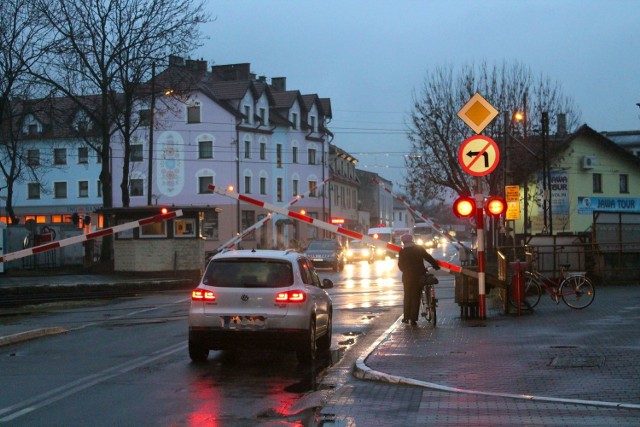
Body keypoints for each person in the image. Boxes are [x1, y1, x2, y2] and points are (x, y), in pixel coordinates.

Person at [397, 234, 440, 325]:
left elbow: (400, 265)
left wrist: (405, 270)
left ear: (403, 242)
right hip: (419, 275)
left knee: (407, 296)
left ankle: (406, 318)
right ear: (412, 240)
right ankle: (413, 319)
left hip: (407, 277)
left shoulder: (402, 251)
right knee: (416, 296)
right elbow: (428, 257)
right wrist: (435, 265)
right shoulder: (418, 248)